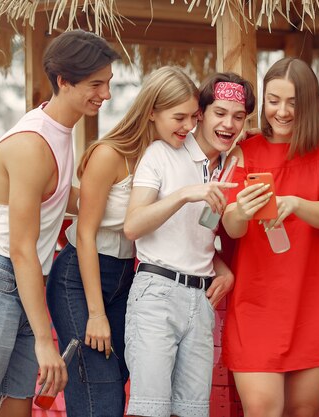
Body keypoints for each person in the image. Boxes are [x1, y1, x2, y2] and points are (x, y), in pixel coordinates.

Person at [0, 30, 120, 417]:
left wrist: (140, 201)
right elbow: (21, 247)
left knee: (18, 407)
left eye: (107, 83)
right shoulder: (32, 145)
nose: (105, 94)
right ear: (64, 81)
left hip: (24, 281)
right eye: (96, 84)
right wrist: (45, 339)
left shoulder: (60, 131)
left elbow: (65, 198)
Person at [46, 66, 203, 416]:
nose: (189, 126)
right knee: (99, 394)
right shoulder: (110, 154)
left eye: (194, 117)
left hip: (125, 278)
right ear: (151, 111)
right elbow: (85, 234)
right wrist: (96, 315)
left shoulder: (169, 158)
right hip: (81, 275)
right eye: (180, 117)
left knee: (117, 382)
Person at [221, 57, 319, 417]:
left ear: (309, 103)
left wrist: (295, 203)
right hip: (257, 298)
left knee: (303, 409)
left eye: (293, 102)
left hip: (314, 296)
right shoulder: (244, 150)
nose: (281, 111)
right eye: (274, 100)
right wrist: (241, 211)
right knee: (262, 408)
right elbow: (232, 228)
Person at [123, 72, 256, 417]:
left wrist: (220, 266)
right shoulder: (161, 153)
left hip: (201, 299)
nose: (229, 124)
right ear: (201, 113)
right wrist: (183, 195)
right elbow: (133, 226)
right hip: (157, 291)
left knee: (193, 412)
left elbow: (202, 233)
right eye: (220, 113)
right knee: (149, 410)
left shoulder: (230, 165)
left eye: (238, 117)